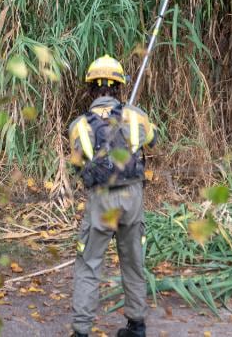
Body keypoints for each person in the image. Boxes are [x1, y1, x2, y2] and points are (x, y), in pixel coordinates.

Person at [68, 55, 156, 337]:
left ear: (91, 89)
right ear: (118, 88)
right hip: (132, 198)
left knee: (89, 264)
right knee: (133, 261)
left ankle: (81, 331)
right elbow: (151, 140)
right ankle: (137, 326)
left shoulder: (79, 126)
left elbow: (78, 163)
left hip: (102, 200)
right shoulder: (136, 115)